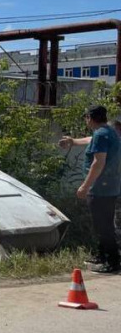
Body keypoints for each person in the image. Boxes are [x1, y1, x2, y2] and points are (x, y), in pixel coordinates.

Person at [59, 105, 121, 273]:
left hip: (101, 188)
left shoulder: (101, 134)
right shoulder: (107, 131)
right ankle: (102, 256)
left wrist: (85, 186)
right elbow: (90, 139)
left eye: (86, 117)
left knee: (104, 226)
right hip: (109, 187)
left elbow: (98, 163)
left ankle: (112, 262)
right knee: (102, 224)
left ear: (90, 118)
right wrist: (73, 141)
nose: (85, 119)